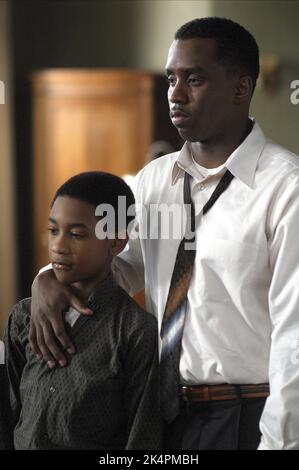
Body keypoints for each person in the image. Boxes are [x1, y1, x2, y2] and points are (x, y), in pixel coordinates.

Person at [30, 17, 299, 450]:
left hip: (246, 418)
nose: (175, 93)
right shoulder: (154, 181)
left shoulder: (286, 189)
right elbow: (118, 268)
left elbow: (295, 339)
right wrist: (48, 278)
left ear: (241, 88)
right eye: (172, 78)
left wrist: (280, 443)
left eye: (193, 79)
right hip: (156, 409)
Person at [0, 171, 162, 450]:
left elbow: (142, 434)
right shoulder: (23, 317)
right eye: (53, 230)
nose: (58, 245)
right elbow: (8, 412)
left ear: (116, 243)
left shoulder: (135, 331)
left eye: (76, 234)